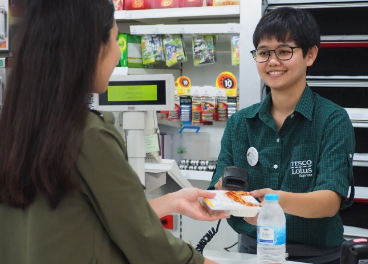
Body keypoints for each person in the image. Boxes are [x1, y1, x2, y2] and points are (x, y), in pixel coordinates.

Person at [0, 0, 225, 263]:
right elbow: (145, 241)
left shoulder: (15, 129)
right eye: (116, 40)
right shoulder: (89, 136)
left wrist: (172, 202)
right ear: (91, 48)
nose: (118, 53)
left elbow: (80, 218)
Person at [209, 7, 355, 264]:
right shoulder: (240, 123)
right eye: (263, 53)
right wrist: (224, 194)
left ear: (310, 54)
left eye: (284, 51)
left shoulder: (332, 119)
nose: (272, 61)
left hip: (317, 257)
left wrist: (272, 202)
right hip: (251, 254)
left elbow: (329, 200)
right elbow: (217, 188)